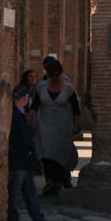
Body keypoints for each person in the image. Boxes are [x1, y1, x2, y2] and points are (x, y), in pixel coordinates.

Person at [7, 85, 57, 221]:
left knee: (30, 192)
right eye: (27, 98)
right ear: (24, 99)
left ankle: (38, 220)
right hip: (19, 160)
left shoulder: (19, 114)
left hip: (24, 161)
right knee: (15, 193)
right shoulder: (13, 114)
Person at [32, 59, 80, 195]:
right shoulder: (41, 87)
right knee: (47, 154)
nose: (56, 78)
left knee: (62, 152)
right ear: (49, 75)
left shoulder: (69, 89)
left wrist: (77, 126)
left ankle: (59, 180)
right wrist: (31, 120)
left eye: (57, 76)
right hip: (45, 126)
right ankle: (50, 181)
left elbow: (76, 110)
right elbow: (34, 106)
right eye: (53, 76)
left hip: (64, 127)